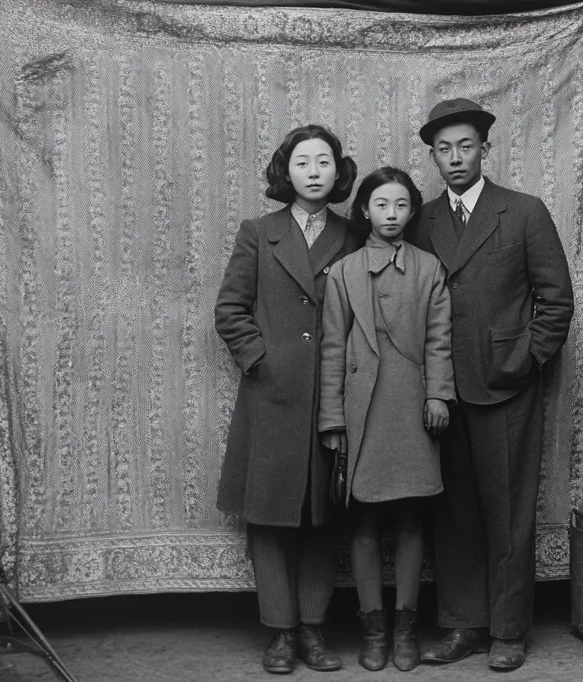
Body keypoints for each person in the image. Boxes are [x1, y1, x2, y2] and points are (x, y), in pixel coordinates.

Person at [405, 98, 574, 672]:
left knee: (507, 510)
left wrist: (522, 361)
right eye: (444, 149)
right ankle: (462, 625)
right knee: (453, 513)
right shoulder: (421, 219)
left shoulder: (523, 212)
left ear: (485, 148)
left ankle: (507, 631)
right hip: (439, 387)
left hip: (505, 385)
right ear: (433, 156)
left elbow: (556, 303)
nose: (455, 158)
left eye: (466, 146)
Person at [214, 124, 361, 675]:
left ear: (338, 171)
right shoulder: (258, 232)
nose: (314, 172)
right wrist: (262, 360)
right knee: (272, 518)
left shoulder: (352, 235)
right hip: (271, 397)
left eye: (324, 162)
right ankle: (280, 633)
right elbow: (230, 309)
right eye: (303, 162)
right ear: (286, 172)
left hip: (333, 396)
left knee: (323, 517)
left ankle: (316, 631)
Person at [318, 167, 455, 672]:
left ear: (412, 211)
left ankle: (405, 630)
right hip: (361, 411)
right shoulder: (343, 272)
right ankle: (372, 630)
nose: (391, 215)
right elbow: (332, 348)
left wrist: (439, 395)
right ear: (364, 211)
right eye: (381, 205)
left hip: (413, 408)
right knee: (365, 522)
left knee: (412, 521)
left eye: (400, 205)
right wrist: (333, 418)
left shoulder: (429, 268)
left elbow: (441, 339)